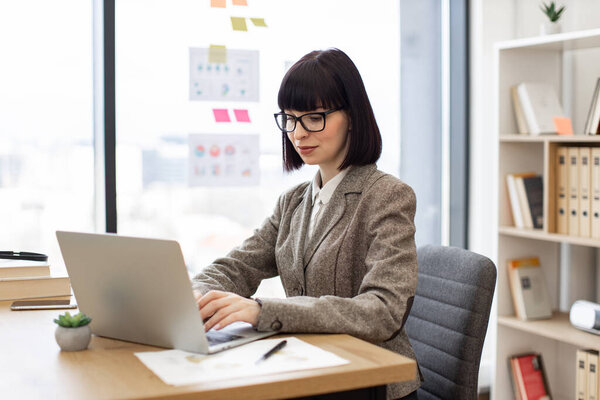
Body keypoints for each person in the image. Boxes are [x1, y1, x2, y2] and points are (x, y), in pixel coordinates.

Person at [192, 48, 421, 400]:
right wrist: (197, 294)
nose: (298, 133)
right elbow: (239, 265)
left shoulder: (387, 196)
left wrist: (263, 311)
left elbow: (383, 311)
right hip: (312, 367)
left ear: (352, 117)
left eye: (314, 117)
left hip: (368, 381)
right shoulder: (293, 202)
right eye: (289, 118)